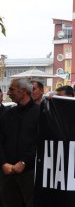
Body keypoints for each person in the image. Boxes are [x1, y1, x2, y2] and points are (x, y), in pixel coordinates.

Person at [1, 78, 40, 207]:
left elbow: (41, 142)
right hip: (7, 173)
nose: (8, 93)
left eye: (11, 89)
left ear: (23, 91)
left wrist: (24, 162)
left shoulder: (40, 113)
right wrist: (3, 163)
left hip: (30, 173)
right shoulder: (7, 114)